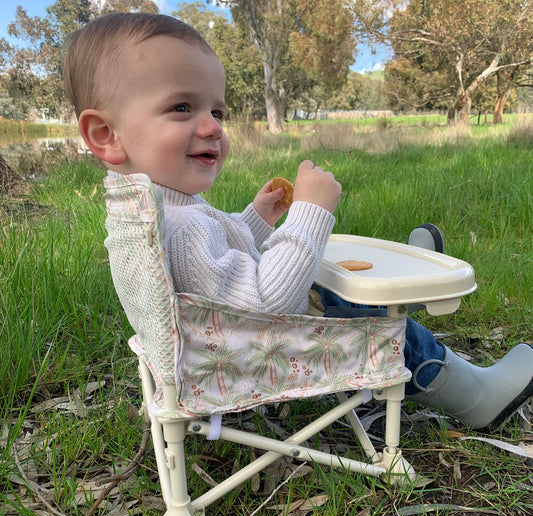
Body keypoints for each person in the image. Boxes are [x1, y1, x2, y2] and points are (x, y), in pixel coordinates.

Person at [63, 12, 533, 431]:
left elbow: (219, 265)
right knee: (367, 314)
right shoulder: (184, 226)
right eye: (182, 107)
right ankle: (472, 394)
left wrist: (256, 219)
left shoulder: (161, 211)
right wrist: (311, 213)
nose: (212, 127)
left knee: (328, 271)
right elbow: (267, 303)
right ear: (106, 135)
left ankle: (409, 275)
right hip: (265, 348)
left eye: (217, 110)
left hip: (222, 340)